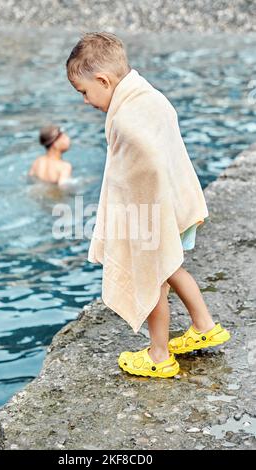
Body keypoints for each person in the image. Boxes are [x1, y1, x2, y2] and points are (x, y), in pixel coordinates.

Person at [66, 32, 230, 379]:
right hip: (177, 202)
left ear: (103, 80)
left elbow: (148, 163)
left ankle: (158, 355)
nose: (85, 101)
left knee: (151, 275)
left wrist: (140, 215)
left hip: (156, 213)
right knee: (172, 270)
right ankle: (204, 323)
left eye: (84, 92)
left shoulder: (126, 119)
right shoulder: (147, 97)